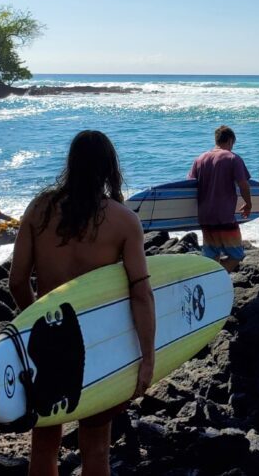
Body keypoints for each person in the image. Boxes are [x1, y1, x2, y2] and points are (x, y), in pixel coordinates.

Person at [9, 130, 155, 476]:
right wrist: (147, 357)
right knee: (97, 452)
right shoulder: (122, 220)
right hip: (97, 346)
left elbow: (16, 281)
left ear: (71, 164)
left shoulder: (39, 208)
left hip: (46, 346)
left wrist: (35, 323)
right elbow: (141, 294)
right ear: (109, 168)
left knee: (43, 447)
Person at [188, 125, 253, 273]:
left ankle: (211, 283)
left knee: (212, 256)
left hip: (205, 217)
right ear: (230, 141)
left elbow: (190, 186)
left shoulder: (200, 159)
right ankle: (215, 277)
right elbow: (244, 184)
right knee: (237, 255)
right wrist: (248, 204)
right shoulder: (233, 158)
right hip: (224, 218)